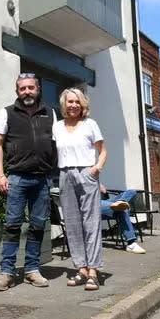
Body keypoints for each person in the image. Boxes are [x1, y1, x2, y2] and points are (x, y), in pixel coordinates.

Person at [0, 73, 57, 291]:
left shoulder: (50, 113)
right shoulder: (7, 113)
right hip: (18, 177)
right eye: (22, 88)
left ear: (38, 89)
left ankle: (31, 270)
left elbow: (57, 144)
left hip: (42, 179)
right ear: (17, 91)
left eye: (31, 87)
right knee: (12, 226)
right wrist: (0, 175)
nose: (27, 91)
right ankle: (6, 273)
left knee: (38, 226)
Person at [53, 87, 107, 291]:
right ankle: (81, 268)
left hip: (86, 173)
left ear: (82, 104)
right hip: (65, 175)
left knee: (91, 222)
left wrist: (96, 169)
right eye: (70, 102)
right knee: (73, 223)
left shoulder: (90, 124)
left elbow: (103, 151)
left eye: (77, 102)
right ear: (64, 105)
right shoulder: (57, 127)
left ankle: (93, 270)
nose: (73, 105)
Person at [100, 184, 146, 254]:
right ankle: (131, 244)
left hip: (107, 204)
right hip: (93, 206)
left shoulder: (93, 178)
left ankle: (122, 201)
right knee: (122, 210)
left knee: (131, 192)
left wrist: (97, 182)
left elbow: (103, 190)